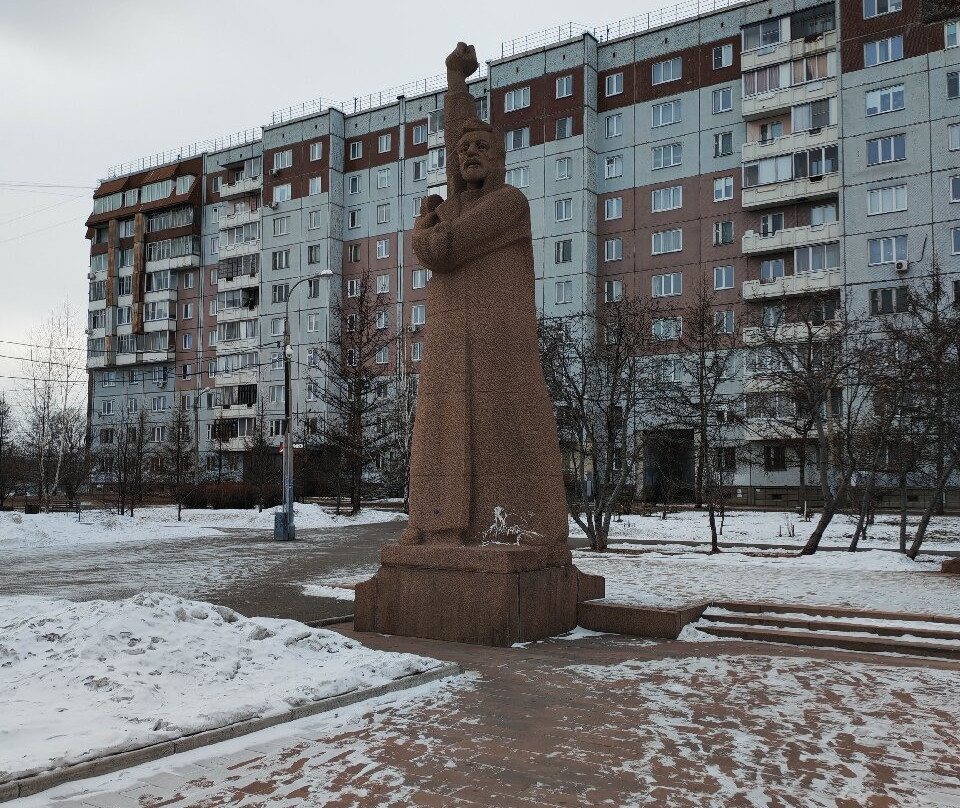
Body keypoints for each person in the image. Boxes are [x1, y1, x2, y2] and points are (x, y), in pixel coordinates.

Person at [401, 42, 569, 547]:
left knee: (503, 437)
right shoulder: (455, 206)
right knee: (439, 432)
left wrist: (423, 224)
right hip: (452, 341)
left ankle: (522, 533)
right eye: (462, 151)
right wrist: (456, 81)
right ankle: (433, 526)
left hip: (499, 348)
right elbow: (457, 138)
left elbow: (443, 248)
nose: (469, 153)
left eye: (482, 148)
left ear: (499, 158)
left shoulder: (508, 205)